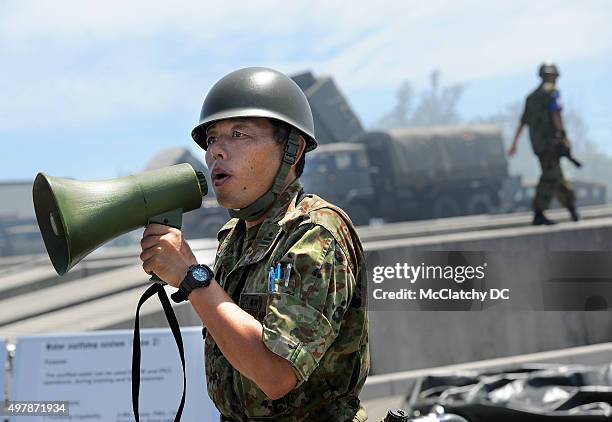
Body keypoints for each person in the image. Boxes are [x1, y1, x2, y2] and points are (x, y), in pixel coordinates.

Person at [138, 67, 370, 421]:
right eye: (212, 139)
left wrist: (193, 278)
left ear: (293, 149)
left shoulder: (316, 233)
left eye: (238, 134)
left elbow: (276, 374)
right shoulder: (236, 237)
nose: (217, 151)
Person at [508, 62, 579, 225]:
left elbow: (522, 123)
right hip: (550, 144)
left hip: (538, 145)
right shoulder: (551, 93)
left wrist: (514, 144)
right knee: (550, 176)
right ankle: (539, 212)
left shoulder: (531, 97)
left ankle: (572, 208)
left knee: (557, 176)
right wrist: (564, 137)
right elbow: (556, 115)